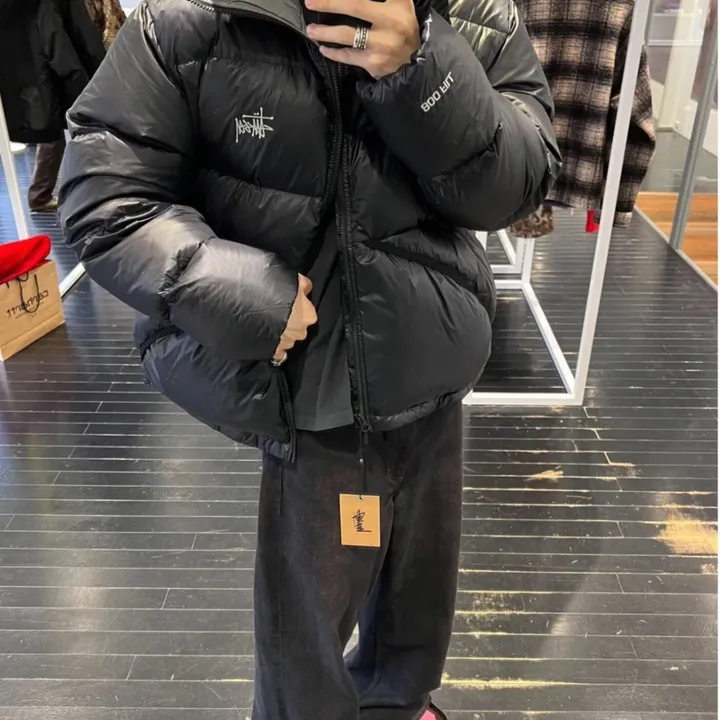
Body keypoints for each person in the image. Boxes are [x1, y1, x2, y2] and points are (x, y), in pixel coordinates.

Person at [58, 0, 560, 717]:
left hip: (437, 357)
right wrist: (246, 296)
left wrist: (422, 69)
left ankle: (398, 704)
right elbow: (108, 198)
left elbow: (518, 186)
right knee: (307, 637)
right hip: (313, 389)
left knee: (419, 601)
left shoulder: (471, 14)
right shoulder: (194, 21)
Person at [0, 0, 104, 212]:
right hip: (48, 75)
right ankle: (45, 195)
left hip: (19, 82)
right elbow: (58, 43)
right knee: (57, 135)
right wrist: (82, 80)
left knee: (52, 135)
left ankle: (41, 195)